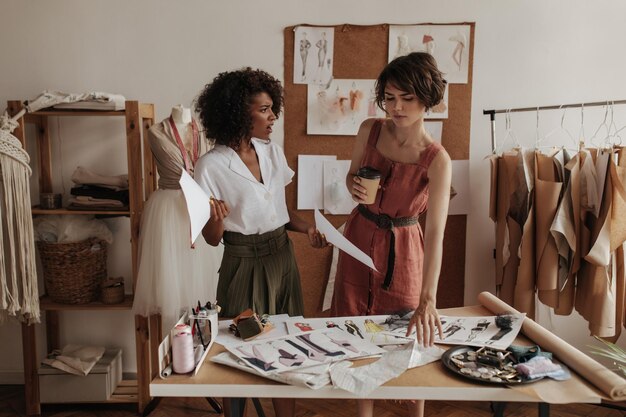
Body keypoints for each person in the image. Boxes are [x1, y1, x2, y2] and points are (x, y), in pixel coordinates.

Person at [194, 67, 327, 417]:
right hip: (242, 262)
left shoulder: (272, 153)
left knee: (289, 345)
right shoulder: (209, 166)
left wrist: (307, 229)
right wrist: (217, 218)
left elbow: (279, 212)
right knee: (238, 348)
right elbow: (211, 239)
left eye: (272, 108)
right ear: (239, 112)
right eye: (263, 109)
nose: (273, 117)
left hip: (282, 258)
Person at [331, 52, 451, 417]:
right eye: (389, 98)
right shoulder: (370, 128)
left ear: (427, 98)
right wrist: (353, 186)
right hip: (358, 239)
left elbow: (436, 234)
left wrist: (428, 299)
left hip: (404, 252)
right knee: (357, 337)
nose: (396, 107)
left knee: (407, 339)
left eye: (407, 98)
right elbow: (351, 176)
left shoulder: (437, 159)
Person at [132, 104, 222, 333]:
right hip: (169, 209)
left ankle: (201, 344)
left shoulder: (204, 131)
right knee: (171, 278)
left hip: (200, 205)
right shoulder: (155, 132)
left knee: (201, 280)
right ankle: (171, 351)